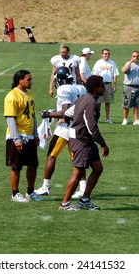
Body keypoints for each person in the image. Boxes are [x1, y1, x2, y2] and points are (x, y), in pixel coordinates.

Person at [35, 67, 87, 199]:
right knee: (77, 160)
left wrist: (48, 114)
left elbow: (65, 111)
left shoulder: (64, 89)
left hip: (65, 129)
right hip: (78, 128)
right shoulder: (80, 88)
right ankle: (83, 188)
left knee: (51, 156)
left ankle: (45, 187)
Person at [59, 75, 109, 211]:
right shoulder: (91, 102)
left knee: (98, 169)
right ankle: (65, 203)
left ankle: (85, 200)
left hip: (85, 140)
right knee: (78, 172)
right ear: (95, 88)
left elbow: (68, 113)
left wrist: (72, 123)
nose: (104, 88)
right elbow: (91, 127)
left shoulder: (83, 98)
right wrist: (103, 144)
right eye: (102, 86)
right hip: (82, 141)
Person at [4, 69, 44, 202]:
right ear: (20, 80)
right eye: (28, 79)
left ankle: (30, 192)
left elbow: (32, 115)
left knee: (33, 164)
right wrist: (16, 139)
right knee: (16, 165)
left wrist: (36, 133)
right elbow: (10, 119)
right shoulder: (12, 96)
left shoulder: (29, 94)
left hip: (30, 135)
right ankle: (15, 194)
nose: (31, 81)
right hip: (18, 135)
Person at [121, 50, 139, 126]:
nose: (135, 58)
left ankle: (136, 120)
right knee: (127, 104)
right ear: (131, 56)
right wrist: (130, 62)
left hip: (138, 87)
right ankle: (125, 119)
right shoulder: (128, 63)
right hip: (128, 86)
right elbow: (124, 70)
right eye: (134, 56)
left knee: (137, 104)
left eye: (137, 56)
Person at [91, 48, 119, 123]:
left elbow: (115, 74)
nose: (107, 55)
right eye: (105, 53)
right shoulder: (98, 63)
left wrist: (115, 85)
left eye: (108, 54)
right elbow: (94, 74)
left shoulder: (112, 63)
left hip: (109, 84)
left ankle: (107, 118)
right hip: (100, 85)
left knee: (108, 102)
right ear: (102, 54)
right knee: (98, 102)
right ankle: (98, 118)